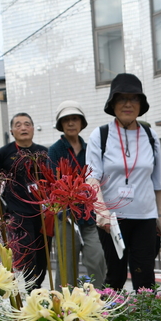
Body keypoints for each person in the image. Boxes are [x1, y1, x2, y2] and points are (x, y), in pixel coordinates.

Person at [86, 73, 161, 292]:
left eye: (134, 98)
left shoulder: (151, 135)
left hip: (145, 217)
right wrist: (101, 212)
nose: (128, 104)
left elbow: (158, 181)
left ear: (141, 104)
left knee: (145, 279)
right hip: (111, 219)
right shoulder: (100, 135)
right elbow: (92, 178)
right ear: (113, 104)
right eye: (122, 98)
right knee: (115, 277)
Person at [47, 100, 107, 288]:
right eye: (66, 120)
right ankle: (63, 308)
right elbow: (52, 185)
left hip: (88, 215)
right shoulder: (55, 150)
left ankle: (99, 301)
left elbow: (97, 177)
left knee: (96, 259)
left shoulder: (91, 148)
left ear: (82, 123)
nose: (71, 123)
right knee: (67, 268)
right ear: (61, 125)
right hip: (65, 216)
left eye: (75, 119)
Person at [0, 112, 50, 289]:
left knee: (43, 253)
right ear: (11, 131)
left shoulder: (44, 152)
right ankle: (31, 287)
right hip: (18, 211)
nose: (23, 128)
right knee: (26, 252)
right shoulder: (4, 153)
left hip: (42, 211)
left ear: (33, 128)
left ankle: (38, 287)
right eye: (18, 125)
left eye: (27, 124)